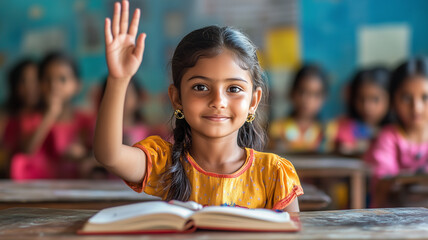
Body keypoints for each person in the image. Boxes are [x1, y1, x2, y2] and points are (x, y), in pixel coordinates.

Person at [94, 0, 303, 211]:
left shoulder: (274, 173)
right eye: (201, 87)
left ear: (253, 101)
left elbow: (293, 232)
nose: (218, 101)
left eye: (233, 89)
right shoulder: (165, 165)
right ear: (177, 98)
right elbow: (109, 156)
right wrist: (118, 80)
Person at [9, 52, 95, 179]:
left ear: (77, 85)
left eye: (62, 79)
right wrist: (50, 114)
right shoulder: (31, 118)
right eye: (47, 79)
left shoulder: (86, 121)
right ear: (39, 84)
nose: (54, 85)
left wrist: (84, 156)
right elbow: (26, 151)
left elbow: (100, 155)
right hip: (37, 186)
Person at [365, 57, 428, 207]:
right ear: (393, 100)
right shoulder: (388, 138)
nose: (416, 108)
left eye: (425, 97)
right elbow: (384, 184)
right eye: (406, 98)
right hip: (392, 223)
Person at [325, 67, 391, 156]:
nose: (367, 107)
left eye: (375, 99)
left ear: (391, 99)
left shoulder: (397, 133)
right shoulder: (339, 128)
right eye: (361, 99)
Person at [268, 64, 328, 153]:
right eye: (302, 92)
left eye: (315, 95)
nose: (307, 100)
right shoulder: (276, 130)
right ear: (292, 92)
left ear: (323, 98)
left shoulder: (328, 132)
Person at [1, 58, 41, 178]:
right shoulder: (6, 117)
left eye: (35, 80)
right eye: (23, 81)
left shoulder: (48, 116)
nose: (30, 87)